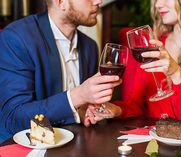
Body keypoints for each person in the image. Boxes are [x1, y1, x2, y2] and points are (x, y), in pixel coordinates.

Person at [85, 0, 181, 128]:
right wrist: (117, 110)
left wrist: (176, 74)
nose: (158, 4)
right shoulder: (152, 46)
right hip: (154, 143)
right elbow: (137, 105)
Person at [0, 0, 122, 143]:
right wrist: (79, 95)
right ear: (61, 2)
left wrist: (83, 112)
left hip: (76, 145)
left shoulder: (90, 47)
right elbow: (14, 118)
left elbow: (78, 110)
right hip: (27, 147)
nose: (98, 1)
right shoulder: (17, 38)